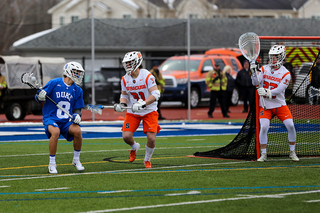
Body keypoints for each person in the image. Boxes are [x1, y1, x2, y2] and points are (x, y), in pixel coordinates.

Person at [35, 62, 86, 174]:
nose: (78, 75)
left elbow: (77, 109)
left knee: (77, 130)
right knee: (56, 132)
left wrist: (77, 115)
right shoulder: (54, 83)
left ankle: (76, 159)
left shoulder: (78, 90)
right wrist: (40, 96)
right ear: (68, 72)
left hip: (66, 121)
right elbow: (38, 97)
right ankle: (52, 163)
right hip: (51, 118)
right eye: (76, 73)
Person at [251, 45, 299, 162]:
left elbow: (280, 90)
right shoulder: (263, 69)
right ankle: (264, 154)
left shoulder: (286, 73)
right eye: (272, 56)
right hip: (265, 106)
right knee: (264, 127)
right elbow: (255, 82)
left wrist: (267, 92)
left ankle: (292, 152)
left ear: (282, 57)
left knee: (291, 126)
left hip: (279, 105)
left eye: (276, 56)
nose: (273, 59)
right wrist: (253, 72)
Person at [114, 51, 161, 168]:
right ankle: (134, 147)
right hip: (133, 111)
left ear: (138, 62)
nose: (127, 65)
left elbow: (156, 94)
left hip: (149, 110)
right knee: (126, 136)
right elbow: (124, 95)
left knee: (151, 138)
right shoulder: (125, 79)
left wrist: (143, 103)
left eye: (130, 63)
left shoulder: (147, 76)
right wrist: (122, 105)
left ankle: (147, 159)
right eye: (127, 63)